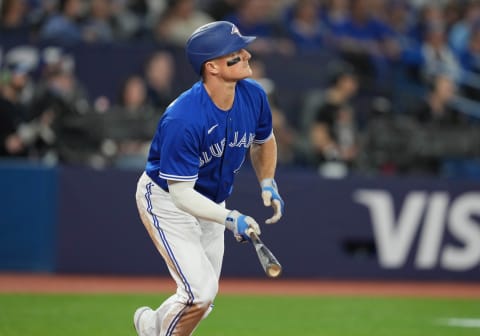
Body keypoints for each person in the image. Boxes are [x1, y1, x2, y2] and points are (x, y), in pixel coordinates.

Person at [133, 21, 285, 336]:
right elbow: (182, 195)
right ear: (212, 67)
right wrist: (232, 219)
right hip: (167, 199)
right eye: (234, 53)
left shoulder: (253, 95)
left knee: (204, 299)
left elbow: (264, 141)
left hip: (212, 202)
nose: (245, 54)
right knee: (198, 294)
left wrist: (267, 182)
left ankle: (150, 327)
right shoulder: (184, 118)